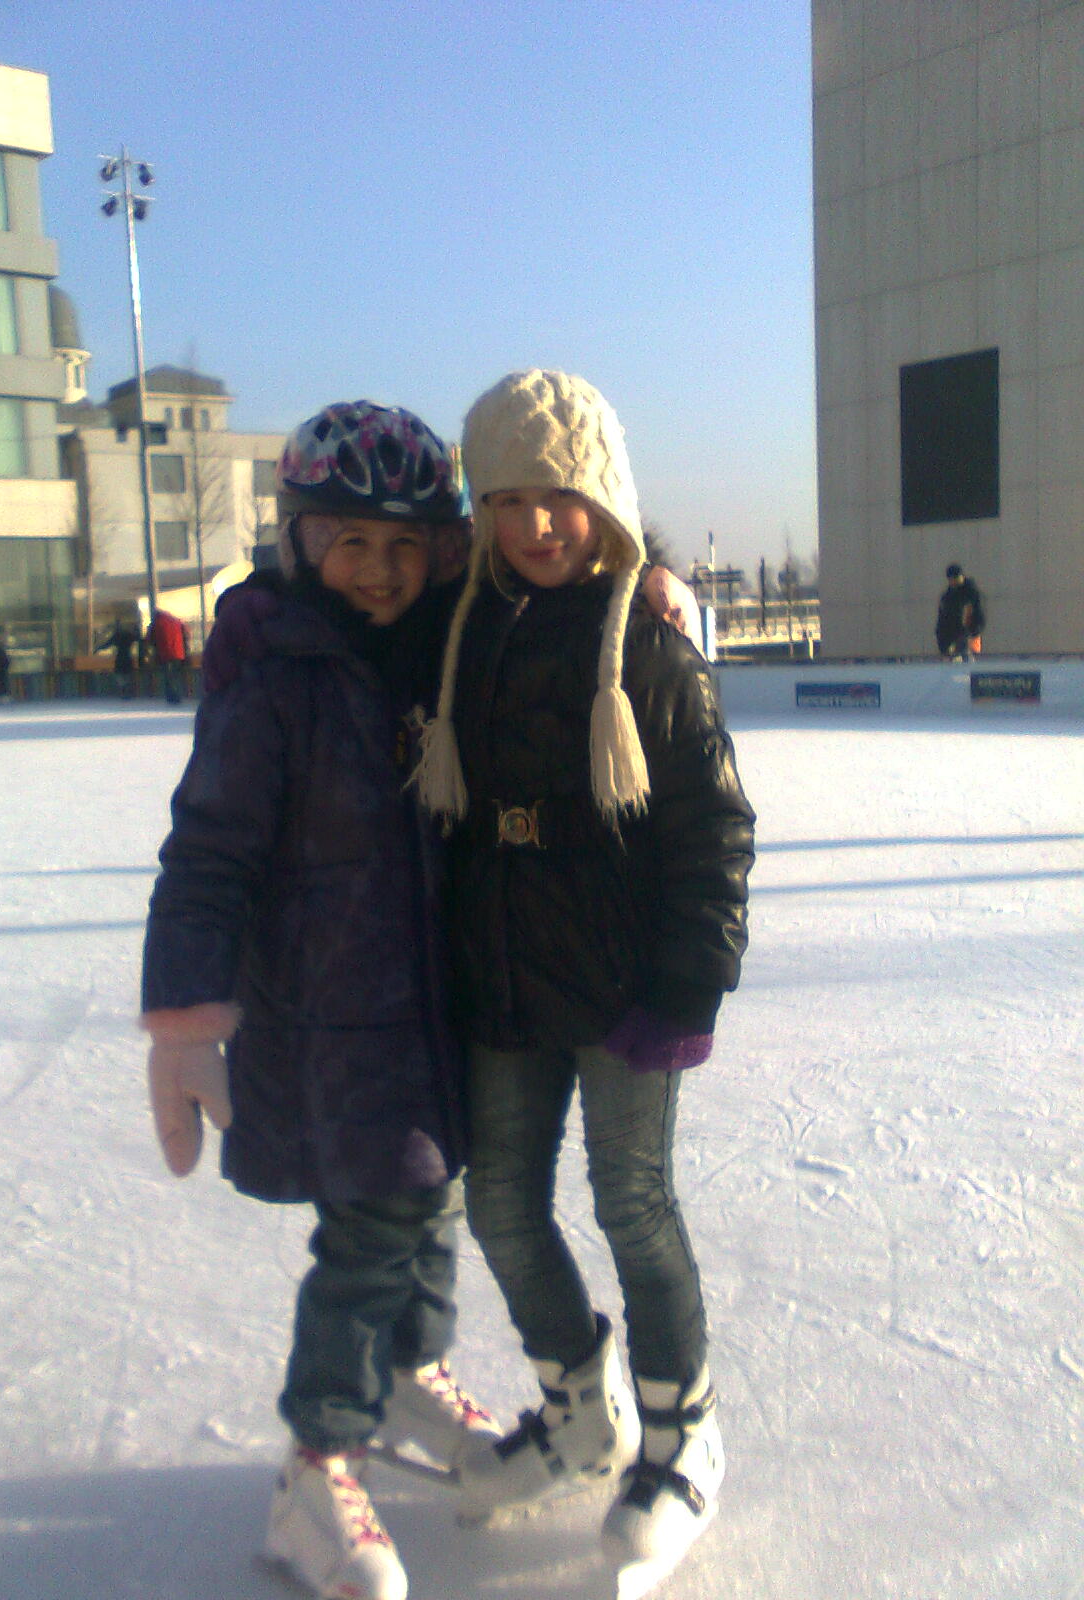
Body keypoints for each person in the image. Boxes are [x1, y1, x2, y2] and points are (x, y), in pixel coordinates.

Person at [140, 402, 499, 1600]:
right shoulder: (279, 683)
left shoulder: (438, 657)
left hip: (432, 1009)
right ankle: (319, 1456)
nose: (380, 570)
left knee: (433, 1203)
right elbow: (208, 855)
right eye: (352, 543)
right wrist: (188, 1019)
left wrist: (644, 586)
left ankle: (407, 1370)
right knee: (373, 1233)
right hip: (328, 1023)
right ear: (301, 542)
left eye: (404, 546)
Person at [416, 370, 755, 1583]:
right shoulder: (464, 633)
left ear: (602, 498)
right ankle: (580, 1409)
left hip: (621, 984)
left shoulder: (649, 645)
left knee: (631, 1203)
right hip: (505, 978)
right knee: (501, 1206)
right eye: (507, 501)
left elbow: (713, 825)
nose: (535, 525)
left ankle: (681, 1432)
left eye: (557, 497)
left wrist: (690, 983)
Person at [935, 563, 986, 659]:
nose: (953, 581)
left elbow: (979, 616)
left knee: (969, 662)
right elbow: (942, 622)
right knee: (956, 664)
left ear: (961, 576)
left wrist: (972, 633)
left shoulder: (973, 594)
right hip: (953, 642)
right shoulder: (947, 598)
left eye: (955, 578)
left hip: (970, 639)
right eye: (951, 579)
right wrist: (943, 645)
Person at [148, 607, 189, 702]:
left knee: (168, 676)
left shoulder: (156, 623)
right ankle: (178, 695)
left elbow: (150, 638)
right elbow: (186, 635)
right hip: (178, 654)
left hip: (165, 654)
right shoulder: (176, 621)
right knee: (176, 675)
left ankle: (171, 696)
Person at [97, 613, 140, 698]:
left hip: (120, 658)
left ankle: (123, 690)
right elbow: (137, 638)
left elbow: (107, 644)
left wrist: (98, 649)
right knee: (127, 675)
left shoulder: (117, 636)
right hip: (127, 658)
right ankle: (127, 691)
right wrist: (137, 629)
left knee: (120, 676)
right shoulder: (128, 635)